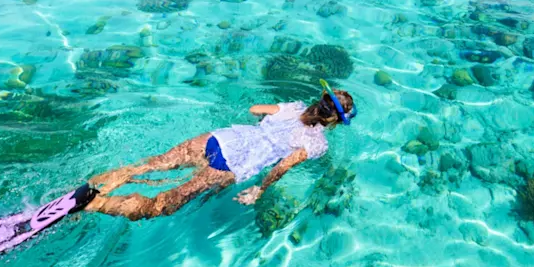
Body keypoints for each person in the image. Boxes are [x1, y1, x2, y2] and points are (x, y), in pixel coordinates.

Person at [82, 83, 356, 220]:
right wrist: (259, 190)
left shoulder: (294, 107)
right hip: (232, 164)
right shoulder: (317, 144)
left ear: (321, 99)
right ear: (334, 120)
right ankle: (97, 204)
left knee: (150, 165)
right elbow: (282, 167)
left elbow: (255, 110)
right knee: (162, 205)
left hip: (220, 138)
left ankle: (95, 185)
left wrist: (265, 127)